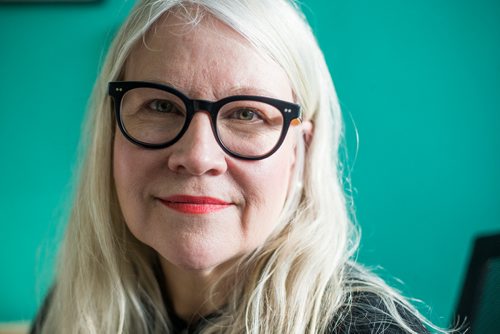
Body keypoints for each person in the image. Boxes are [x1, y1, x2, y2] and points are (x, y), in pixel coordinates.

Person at [31, 0, 458, 333]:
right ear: (111, 133)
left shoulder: (366, 329)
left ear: (300, 151)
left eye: (247, 114)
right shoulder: (72, 310)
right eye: (161, 106)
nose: (198, 156)